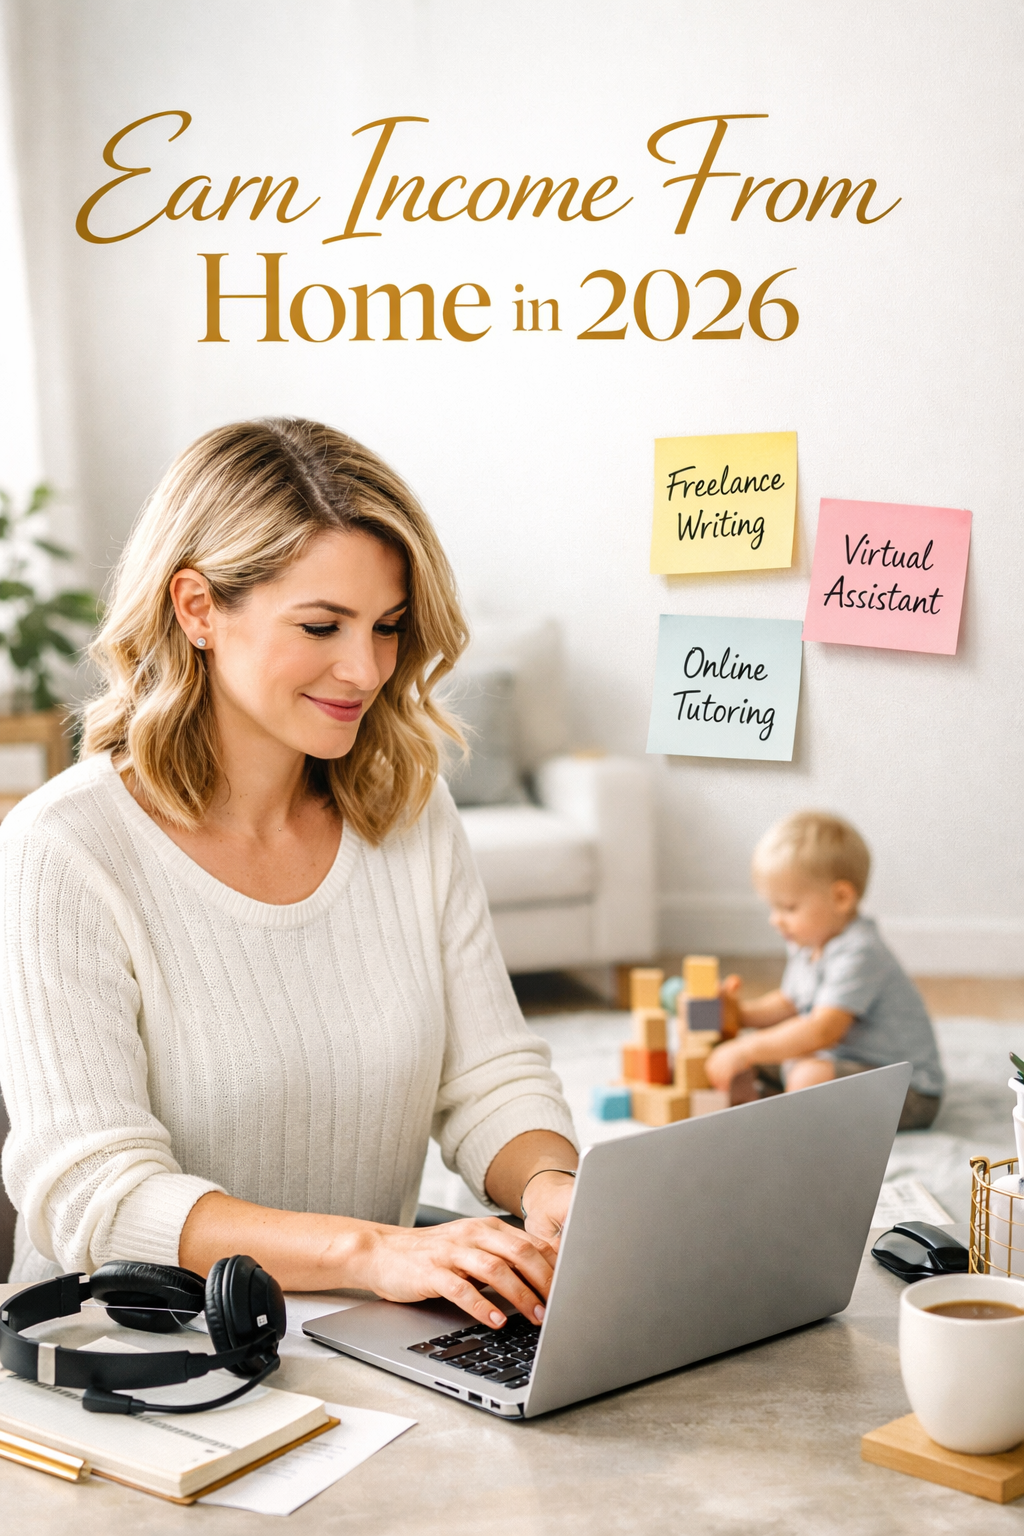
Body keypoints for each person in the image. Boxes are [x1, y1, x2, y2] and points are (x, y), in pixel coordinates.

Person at [0, 418, 580, 1332]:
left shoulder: (409, 813)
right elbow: (94, 1192)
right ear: (197, 609)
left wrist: (552, 1186)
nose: (367, 670)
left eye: (388, 627)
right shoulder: (63, 847)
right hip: (140, 1359)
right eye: (322, 625)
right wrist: (375, 1251)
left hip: (367, 1339)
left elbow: (490, 1080)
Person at [704, 811, 943, 1131]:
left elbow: (821, 1031)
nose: (775, 920)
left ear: (841, 897)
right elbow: (789, 1003)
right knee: (739, 1058)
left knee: (803, 1074)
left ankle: (789, 1116)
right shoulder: (809, 942)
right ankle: (764, 1105)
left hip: (906, 1090)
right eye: (773, 907)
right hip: (837, 1063)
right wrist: (741, 1015)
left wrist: (747, 1049)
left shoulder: (861, 951)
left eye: (788, 908)